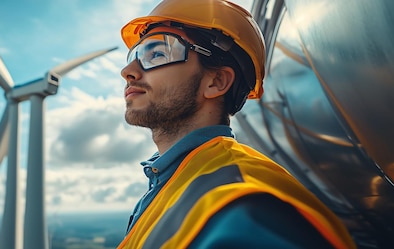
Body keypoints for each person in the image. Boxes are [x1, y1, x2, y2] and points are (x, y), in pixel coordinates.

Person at [117, 0, 356, 248]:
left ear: (217, 81)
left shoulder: (248, 206)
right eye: (135, 55)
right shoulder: (170, 181)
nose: (128, 70)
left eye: (157, 54)